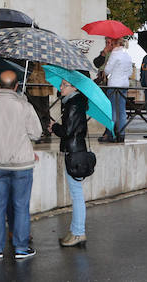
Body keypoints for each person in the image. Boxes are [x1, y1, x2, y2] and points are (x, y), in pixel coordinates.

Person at [0, 70, 42, 260]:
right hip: (21, 165)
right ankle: (20, 248)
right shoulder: (24, 106)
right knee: (21, 206)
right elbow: (36, 133)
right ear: (16, 86)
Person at [51, 79, 89, 247]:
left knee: (76, 194)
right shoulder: (73, 103)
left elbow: (68, 131)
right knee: (76, 193)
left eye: (65, 85)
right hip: (75, 150)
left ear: (74, 87)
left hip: (73, 152)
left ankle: (79, 232)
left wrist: (54, 127)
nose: (60, 88)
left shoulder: (73, 104)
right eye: (61, 84)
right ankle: (75, 230)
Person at [100, 38, 132, 143]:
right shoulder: (127, 55)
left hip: (114, 85)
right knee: (122, 110)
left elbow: (107, 70)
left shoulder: (115, 54)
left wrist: (107, 70)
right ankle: (121, 134)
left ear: (115, 44)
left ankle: (111, 134)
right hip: (124, 85)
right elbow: (130, 72)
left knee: (112, 110)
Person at [25, 64, 52, 143]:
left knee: (41, 109)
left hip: (39, 82)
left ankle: (44, 130)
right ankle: (43, 130)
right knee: (40, 109)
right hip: (37, 83)